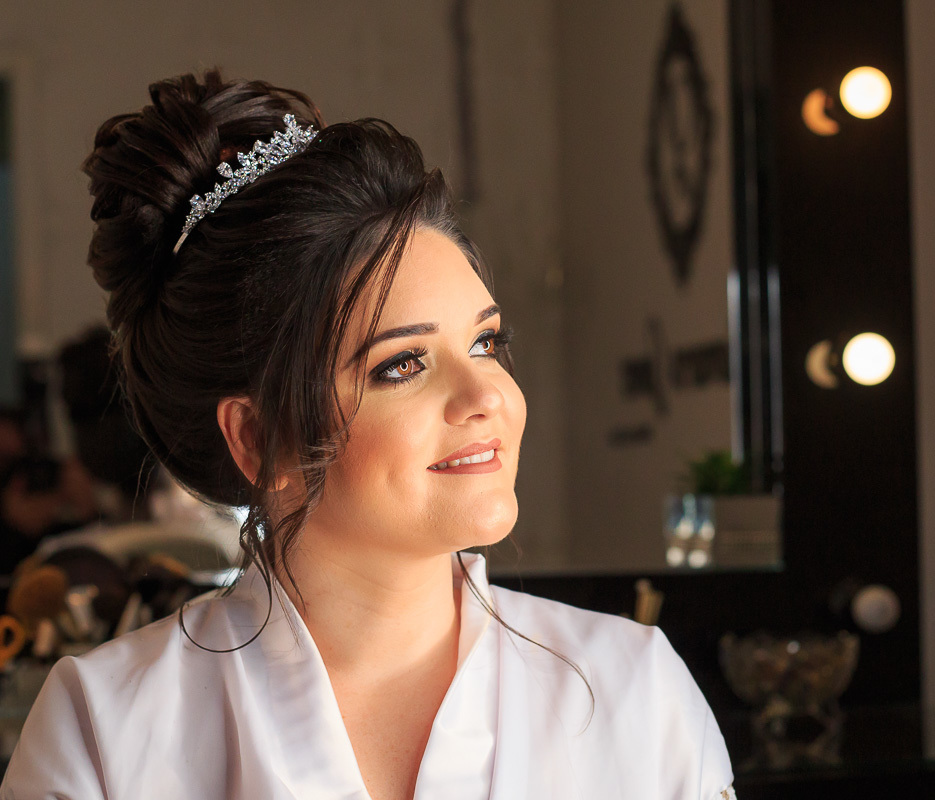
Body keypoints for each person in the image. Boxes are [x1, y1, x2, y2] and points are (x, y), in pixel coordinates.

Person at [0, 70, 736, 799]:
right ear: (258, 437)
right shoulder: (105, 733)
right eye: (403, 364)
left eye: (485, 343)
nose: (488, 395)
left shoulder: (633, 693)